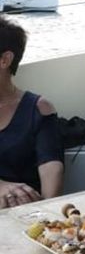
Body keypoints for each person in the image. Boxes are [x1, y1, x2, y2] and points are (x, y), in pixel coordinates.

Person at [0, 16, 64, 209]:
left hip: (23, 210)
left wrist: (42, 217)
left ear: (5, 60)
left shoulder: (38, 109)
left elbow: (52, 169)